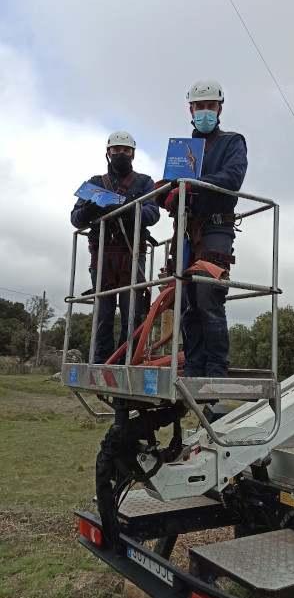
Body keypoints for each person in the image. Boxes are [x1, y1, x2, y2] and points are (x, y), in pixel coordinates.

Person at [158, 79, 247, 378]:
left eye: (210, 106)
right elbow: (170, 191)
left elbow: (232, 178)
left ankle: (217, 368)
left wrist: (191, 186)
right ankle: (194, 365)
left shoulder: (232, 142)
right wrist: (166, 191)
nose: (204, 112)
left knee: (208, 298)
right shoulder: (184, 151)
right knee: (187, 302)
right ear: (190, 110)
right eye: (199, 107)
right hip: (186, 233)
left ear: (220, 108)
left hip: (216, 229)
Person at [71, 131, 160, 364]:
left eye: (126, 150)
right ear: (108, 153)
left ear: (133, 153)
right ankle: (102, 360)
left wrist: (127, 207)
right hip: (102, 254)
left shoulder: (144, 182)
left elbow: (152, 213)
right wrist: (88, 211)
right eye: (116, 150)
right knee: (103, 312)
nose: (121, 154)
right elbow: (75, 219)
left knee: (132, 311)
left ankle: (127, 359)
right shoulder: (95, 183)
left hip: (131, 253)